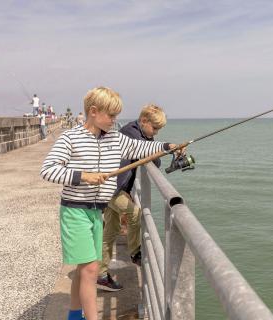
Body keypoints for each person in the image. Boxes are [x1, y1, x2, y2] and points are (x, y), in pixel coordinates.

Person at [40, 87, 178, 320]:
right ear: (94, 112)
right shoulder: (70, 138)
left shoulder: (115, 138)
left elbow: (140, 147)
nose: (115, 121)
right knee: (91, 269)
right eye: (111, 116)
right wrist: (83, 175)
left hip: (97, 211)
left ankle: (74, 316)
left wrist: (166, 147)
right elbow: (48, 170)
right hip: (75, 211)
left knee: (85, 269)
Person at [97, 104, 170, 291]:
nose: (156, 133)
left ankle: (102, 275)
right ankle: (135, 252)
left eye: (158, 130)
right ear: (143, 121)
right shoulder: (131, 132)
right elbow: (152, 156)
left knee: (110, 232)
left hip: (117, 188)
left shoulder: (141, 134)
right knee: (135, 213)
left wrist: (152, 139)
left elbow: (156, 160)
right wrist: (153, 144)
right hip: (111, 188)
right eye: (154, 128)